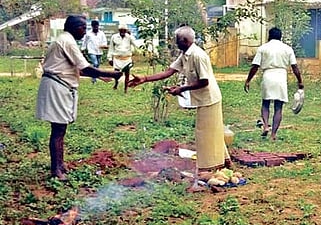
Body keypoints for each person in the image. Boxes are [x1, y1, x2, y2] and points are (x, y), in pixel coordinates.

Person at [128, 25, 231, 173]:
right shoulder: (185, 54)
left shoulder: (197, 55)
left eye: (177, 40)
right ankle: (225, 162)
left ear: (185, 40)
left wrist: (181, 89)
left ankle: (209, 169)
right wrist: (144, 79)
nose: (175, 43)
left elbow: (204, 82)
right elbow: (168, 72)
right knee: (212, 131)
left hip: (210, 99)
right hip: (203, 99)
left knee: (205, 134)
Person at [36, 15, 123, 180]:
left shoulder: (64, 40)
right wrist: (112, 74)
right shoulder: (67, 41)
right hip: (57, 87)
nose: (85, 31)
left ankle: (60, 165)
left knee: (60, 129)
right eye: (83, 28)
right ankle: (56, 170)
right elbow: (86, 68)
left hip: (59, 85)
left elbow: (75, 69)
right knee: (58, 129)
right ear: (75, 27)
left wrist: (104, 76)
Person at [244, 27, 304, 141]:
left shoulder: (263, 48)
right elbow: (294, 67)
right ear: (280, 37)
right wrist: (300, 81)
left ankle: (266, 126)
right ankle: (273, 135)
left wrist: (248, 80)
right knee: (278, 107)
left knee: (265, 103)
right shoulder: (287, 48)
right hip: (281, 76)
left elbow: (255, 66)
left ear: (269, 36)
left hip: (268, 75)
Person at [107, 23, 137, 92]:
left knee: (127, 74)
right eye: (121, 30)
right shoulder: (114, 37)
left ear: (126, 31)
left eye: (124, 30)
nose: (122, 32)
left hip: (127, 58)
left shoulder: (129, 37)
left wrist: (130, 35)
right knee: (116, 74)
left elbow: (135, 44)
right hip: (117, 58)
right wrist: (109, 58)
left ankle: (125, 89)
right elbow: (111, 48)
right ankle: (116, 83)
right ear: (119, 30)